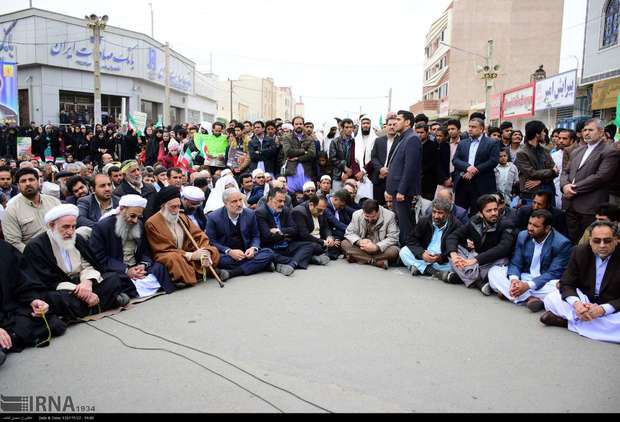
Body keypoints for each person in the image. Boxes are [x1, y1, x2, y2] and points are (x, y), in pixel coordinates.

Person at [23, 204, 129, 320]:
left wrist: (87, 282)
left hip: (83, 282)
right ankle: (104, 303)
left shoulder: (77, 238)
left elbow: (88, 265)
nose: (70, 231)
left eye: (73, 227)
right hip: (61, 288)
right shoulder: (36, 247)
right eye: (66, 227)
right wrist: (78, 291)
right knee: (58, 299)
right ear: (52, 225)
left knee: (113, 278)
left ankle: (80, 311)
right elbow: (46, 281)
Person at [542, 221, 620, 343]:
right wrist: (577, 304)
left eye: (607, 240)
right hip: (585, 302)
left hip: (613, 307)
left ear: (616, 240)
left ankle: (567, 322)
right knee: (551, 298)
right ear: (590, 240)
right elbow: (566, 283)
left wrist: (603, 309)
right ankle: (590, 324)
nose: (602, 245)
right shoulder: (580, 252)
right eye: (597, 241)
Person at [90, 195, 175, 298]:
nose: (135, 221)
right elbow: (101, 259)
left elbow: (145, 251)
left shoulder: (139, 224)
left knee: (160, 267)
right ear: (121, 210)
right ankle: (139, 288)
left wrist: (143, 265)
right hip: (119, 270)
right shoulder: (102, 227)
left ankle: (137, 288)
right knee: (114, 279)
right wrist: (126, 270)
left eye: (138, 217)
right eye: (132, 216)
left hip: (137, 268)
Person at [488, 210, 573, 311]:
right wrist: (514, 280)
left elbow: (553, 273)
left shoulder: (562, 244)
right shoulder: (523, 236)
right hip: (525, 276)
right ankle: (529, 298)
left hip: (546, 281)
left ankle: (510, 293)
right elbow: (516, 262)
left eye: (536, 226)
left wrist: (528, 286)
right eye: (529, 224)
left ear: (547, 228)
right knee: (494, 271)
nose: (530, 228)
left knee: (559, 289)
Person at [0, 239, 66, 366]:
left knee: (53, 324)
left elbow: (23, 280)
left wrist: (33, 299)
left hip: (9, 312)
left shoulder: (4, 249)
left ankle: (8, 340)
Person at [145, 186, 222, 286]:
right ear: (163, 206)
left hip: (187, 251)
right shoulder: (152, 223)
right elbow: (163, 248)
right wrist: (190, 255)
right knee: (174, 258)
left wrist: (204, 250)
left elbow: (199, 235)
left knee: (213, 250)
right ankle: (191, 276)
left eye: (178, 206)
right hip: (169, 254)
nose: (176, 210)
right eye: (173, 207)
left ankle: (195, 273)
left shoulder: (181, 216)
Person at [441, 195, 516, 294]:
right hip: (476, 260)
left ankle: (464, 277)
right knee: (452, 250)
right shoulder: (474, 221)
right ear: (481, 214)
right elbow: (453, 236)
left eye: (495, 209)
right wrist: (454, 255)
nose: (493, 213)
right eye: (489, 211)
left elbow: (503, 248)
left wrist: (475, 260)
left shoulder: (506, 224)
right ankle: (478, 283)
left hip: (495, 261)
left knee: (495, 269)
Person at [560, 118, 619, 244]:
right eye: (584, 130)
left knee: (588, 243)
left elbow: (601, 177)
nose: (586, 133)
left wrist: (573, 188)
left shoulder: (609, 151)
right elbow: (565, 172)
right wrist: (565, 186)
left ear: (601, 132)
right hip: (570, 205)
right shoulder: (577, 151)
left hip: (590, 206)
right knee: (572, 241)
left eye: (590, 130)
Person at [206, 188, 275, 280]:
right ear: (225, 204)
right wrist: (229, 251)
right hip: (228, 255)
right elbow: (212, 241)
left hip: (246, 253)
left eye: (240, 200)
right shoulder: (213, 217)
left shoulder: (250, 214)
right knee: (220, 260)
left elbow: (255, 236)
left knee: (268, 253)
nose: (239, 204)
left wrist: (253, 248)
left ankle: (232, 273)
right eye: (234, 201)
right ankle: (261, 265)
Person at [255, 188, 317, 276]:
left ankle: (290, 264)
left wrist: (278, 231)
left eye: (283, 201)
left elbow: (294, 230)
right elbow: (266, 237)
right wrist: (285, 235)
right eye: (279, 201)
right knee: (267, 255)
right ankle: (304, 259)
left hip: (286, 245)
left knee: (309, 245)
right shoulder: (260, 213)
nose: (282, 204)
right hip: (271, 248)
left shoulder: (285, 210)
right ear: (270, 199)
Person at [2, 168, 61, 252]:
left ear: (38, 181)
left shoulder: (54, 202)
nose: (28, 183)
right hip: (33, 257)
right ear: (18, 186)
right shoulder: (11, 210)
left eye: (31, 180)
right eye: (23, 181)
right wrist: (36, 255)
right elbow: (14, 242)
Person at [385, 111, 422, 246]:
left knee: (405, 224)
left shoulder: (412, 138)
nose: (395, 122)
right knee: (399, 222)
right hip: (396, 191)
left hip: (403, 192)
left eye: (399, 119)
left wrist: (402, 190)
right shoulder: (402, 137)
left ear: (407, 122)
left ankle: (408, 252)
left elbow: (410, 168)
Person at [400, 197, 462, 277]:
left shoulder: (456, 225)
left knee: (457, 264)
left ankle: (419, 267)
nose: (436, 216)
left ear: (447, 214)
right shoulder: (424, 220)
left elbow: (456, 247)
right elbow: (411, 239)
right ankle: (433, 272)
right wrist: (422, 253)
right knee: (404, 251)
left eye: (440, 213)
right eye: (434, 212)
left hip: (442, 260)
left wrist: (440, 257)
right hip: (425, 256)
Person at [452, 118, 500, 214]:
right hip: (463, 182)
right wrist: (468, 167)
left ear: (481, 129)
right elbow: (455, 160)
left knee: (478, 213)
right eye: (469, 126)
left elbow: (493, 161)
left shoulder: (491, 143)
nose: (470, 129)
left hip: (482, 184)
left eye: (473, 127)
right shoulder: (462, 143)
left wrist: (475, 170)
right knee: (460, 213)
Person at [342, 199, 400, 269]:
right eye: (367, 216)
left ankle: (358, 257)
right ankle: (374, 261)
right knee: (344, 243)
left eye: (372, 217)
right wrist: (359, 242)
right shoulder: (356, 214)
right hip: (362, 247)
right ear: (363, 212)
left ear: (378, 211)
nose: (369, 219)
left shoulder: (390, 215)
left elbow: (393, 237)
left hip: (380, 249)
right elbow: (349, 233)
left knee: (394, 251)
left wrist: (376, 247)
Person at [515, 121, 558, 204]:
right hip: (531, 194)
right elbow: (531, 173)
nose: (545, 134)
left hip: (548, 191)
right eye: (543, 131)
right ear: (537, 134)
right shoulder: (522, 153)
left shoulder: (545, 150)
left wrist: (541, 181)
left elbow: (556, 172)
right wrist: (551, 171)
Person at [291, 194, 339, 261]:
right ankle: (318, 256)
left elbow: (325, 227)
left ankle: (318, 255)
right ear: (311, 205)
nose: (321, 213)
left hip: (319, 239)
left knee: (336, 241)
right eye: (319, 210)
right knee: (316, 247)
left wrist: (329, 237)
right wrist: (322, 242)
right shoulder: (299, 212)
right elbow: (304, 235)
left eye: (323, 210)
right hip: (306, 241)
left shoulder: (321, 210)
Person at [281, 117, 316, 193]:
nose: (298, 126)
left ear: (303, 125)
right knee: (291, 194)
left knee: (307, 193)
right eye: (296, 124)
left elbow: (312, 154)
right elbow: (288, 152)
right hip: (291, 170)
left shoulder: (309, 139)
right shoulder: (287, 138)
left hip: (306, 171)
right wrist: (304, 151)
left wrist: (297, 158)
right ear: (293, 125)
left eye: (300, 124)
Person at [370, 117, 399, 206]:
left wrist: (388, 171)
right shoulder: (379, 140)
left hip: (393, 179)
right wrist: (381, 169)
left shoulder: (401, 141)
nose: (392, 127)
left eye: (394, 125)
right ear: (385, 126)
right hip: (379, 178)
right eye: (389, 125)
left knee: (392, 207)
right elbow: (373, 157)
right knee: (378, 205)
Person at [415, 123, 440, 200]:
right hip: (415, 182)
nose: (419, 135)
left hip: (428, 183)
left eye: (421, 132)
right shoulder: (412, 145)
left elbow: (433, 163)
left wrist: (420, 170)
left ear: (427, 133)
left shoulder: (433, 146)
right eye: (417, 132)